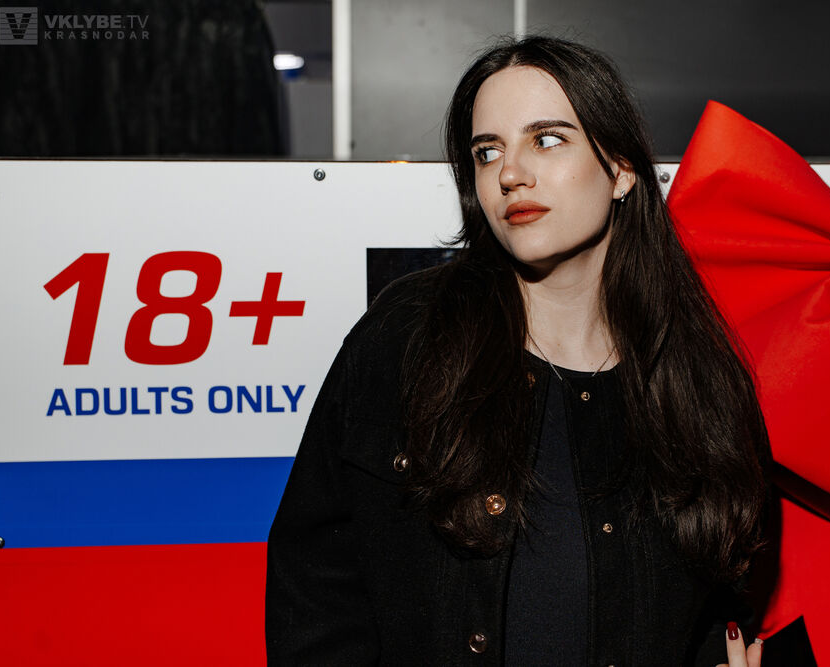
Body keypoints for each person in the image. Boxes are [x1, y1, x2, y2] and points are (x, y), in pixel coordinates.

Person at [266, 36, 770, 666]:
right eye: (488, 152)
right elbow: (315, 581)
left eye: (547, 139)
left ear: (620, 169)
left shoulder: (695, 371)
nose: (510, 174)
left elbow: (727, 589)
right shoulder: (410, 336)